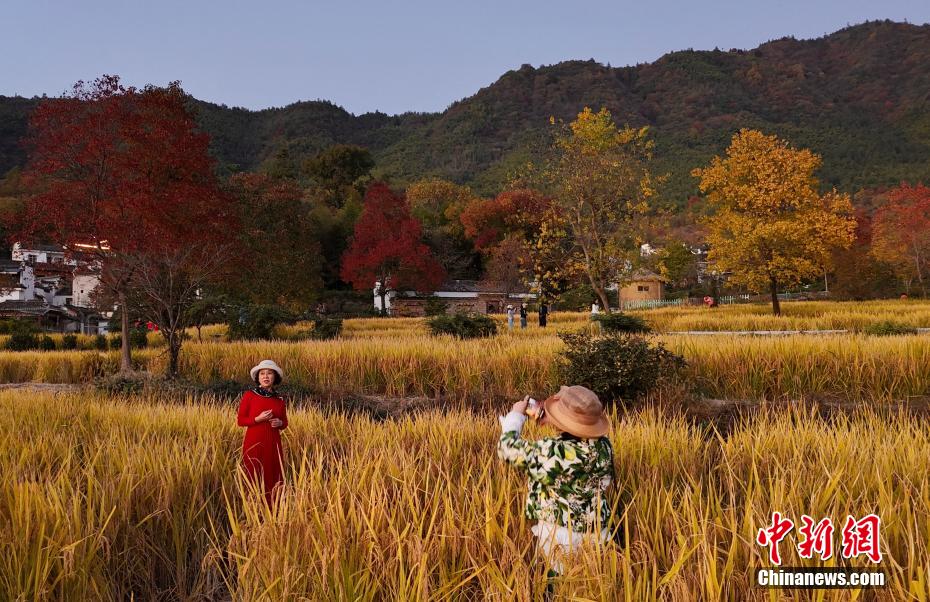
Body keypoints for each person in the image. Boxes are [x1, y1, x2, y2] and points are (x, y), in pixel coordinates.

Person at [497, 385, 614, 591]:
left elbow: (507, 449)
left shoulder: (554, 451)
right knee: (588, 587)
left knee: (555, 587)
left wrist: (516, 416)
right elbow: (575, 435)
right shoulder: (604, 446)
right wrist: (552, 419)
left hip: (561, 536)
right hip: (597, 531)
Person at [238, 359, 289, 505]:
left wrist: (280, 423)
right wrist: (257, 419)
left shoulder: (279, 399)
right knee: (253, 471)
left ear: (275, 378)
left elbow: (285, 422)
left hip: (273, 442)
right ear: (258, 377)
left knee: (272, 472)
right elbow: (241, 421)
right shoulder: (250, 395)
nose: (266, 376)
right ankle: (252, 507)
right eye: (262, 374)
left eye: (269, 373)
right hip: (254, 441)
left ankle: (274, 507)